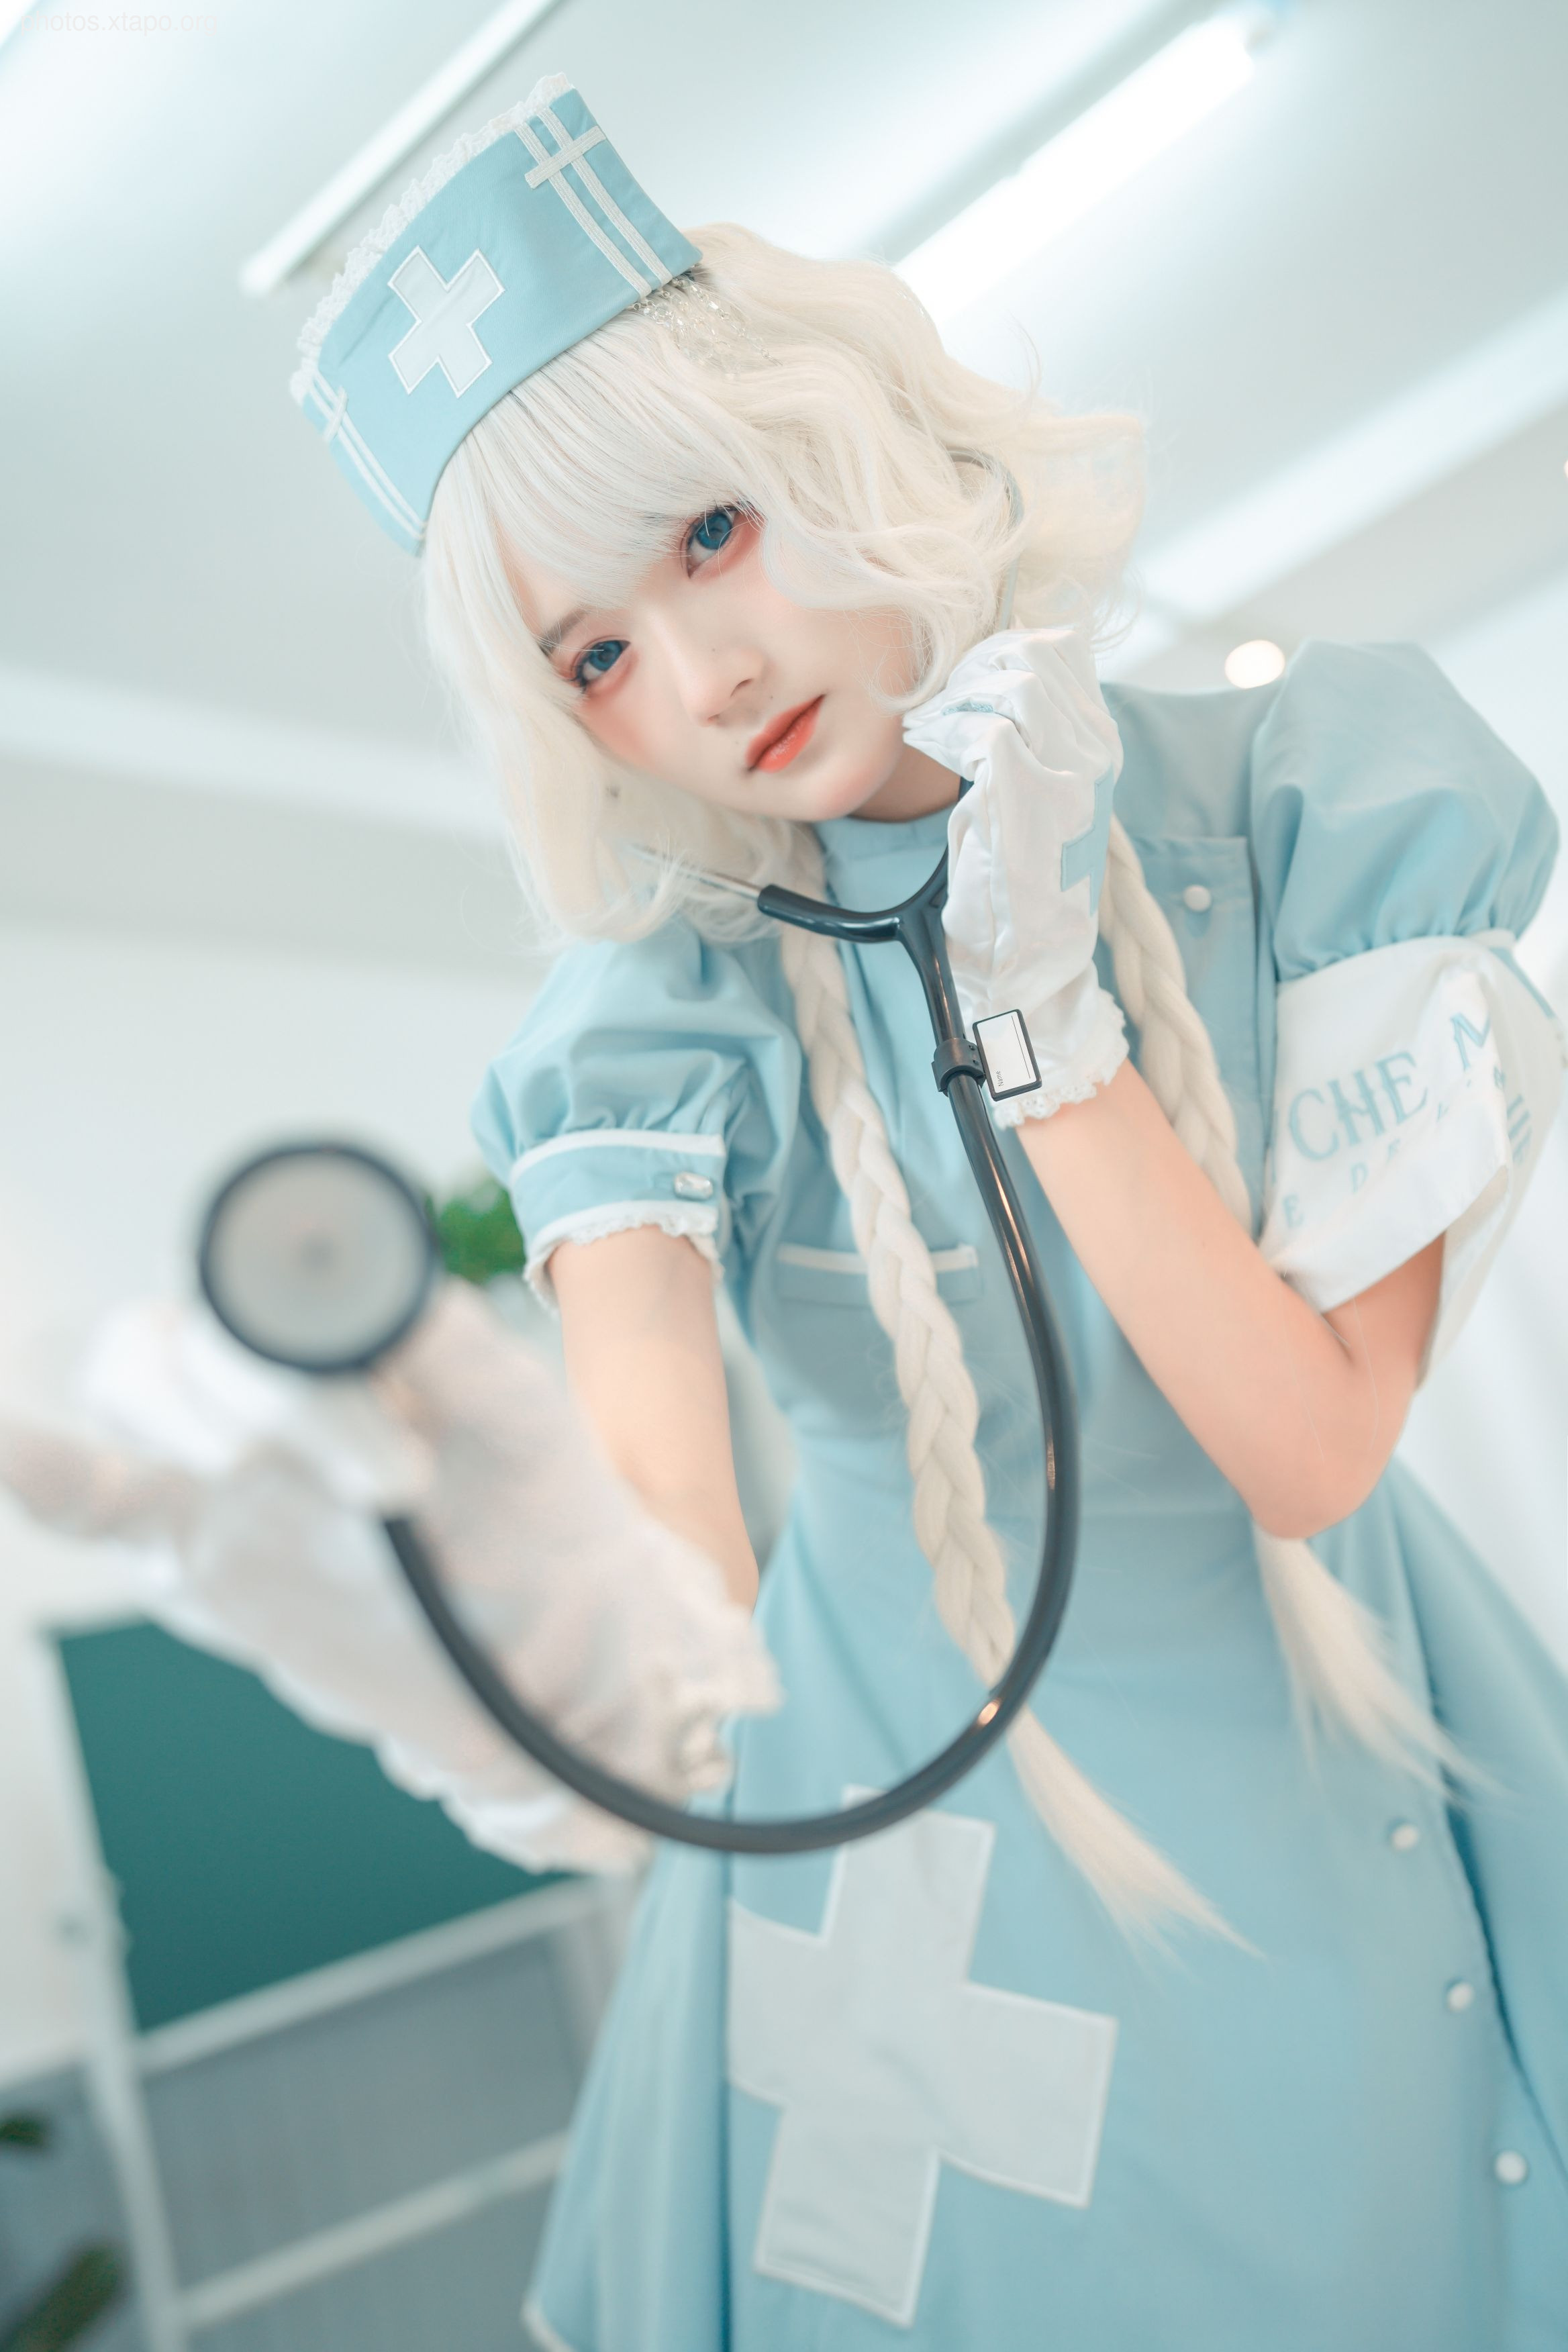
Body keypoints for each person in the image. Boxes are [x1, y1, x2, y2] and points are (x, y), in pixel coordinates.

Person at [7, 72, 1567, 2351]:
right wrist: (492, 1616)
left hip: (1331, 1786)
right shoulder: (652, 1031)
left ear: (837, 445)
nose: (704, 676)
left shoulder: (1316, 792)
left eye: (709, 533)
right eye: (596, 653)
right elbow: (674, 1575)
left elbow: (1318, 1450)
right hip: (902, 1878)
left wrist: (1053, 1038)